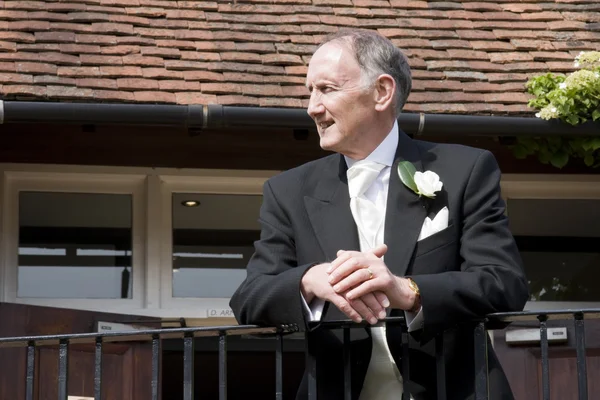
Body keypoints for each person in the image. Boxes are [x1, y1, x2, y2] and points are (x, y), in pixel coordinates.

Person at [230, 28, 529, 400]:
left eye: (326, 89)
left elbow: (505, 283)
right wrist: (309, 280)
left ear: (382, 92)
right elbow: (249, 297)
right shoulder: (288, 190)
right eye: (310, 91)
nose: (312, 107)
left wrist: (408, 291)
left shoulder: (465, 170)